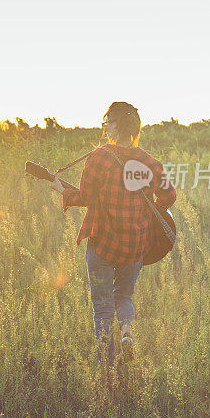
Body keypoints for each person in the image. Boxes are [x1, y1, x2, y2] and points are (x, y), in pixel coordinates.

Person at [50, 102, 176, 364]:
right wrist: (149, 212)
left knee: (103, 308)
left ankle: (106, 370)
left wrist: (62, 191)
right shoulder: (151, 163)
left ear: (117, 126)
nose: (104, 126)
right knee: (124, 295)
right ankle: (127, 333)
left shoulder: (99, 157)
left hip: (103, 244)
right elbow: (169, 196)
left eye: (107, 121)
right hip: (135, 246)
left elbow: (85, 196)